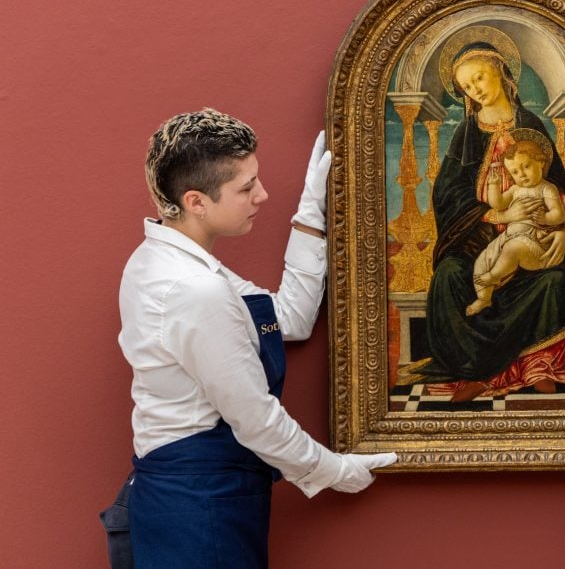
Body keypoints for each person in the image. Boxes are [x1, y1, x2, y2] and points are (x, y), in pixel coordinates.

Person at [114, 108, 396, 568]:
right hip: (200, 509)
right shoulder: (192, 289)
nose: (262, 195)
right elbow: (256, 419)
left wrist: (312, 209)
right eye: (246, 188)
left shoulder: (167, 260)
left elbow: (288, 317)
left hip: (199, 498)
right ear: (196, 201)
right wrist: (336, 471)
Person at [399, 37, 565, 403]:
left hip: (533, 238)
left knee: (557, 279)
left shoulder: (530, 124)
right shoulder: (465, 133)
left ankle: (536, 365)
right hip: (476, 242)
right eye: (467, 87)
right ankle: (474, 371)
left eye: (480, 79)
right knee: (450, 275)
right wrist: (498, 213)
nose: (475, 90)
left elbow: (562, 186)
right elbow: (447, 196)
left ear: (501, 72)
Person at [467, 132, 565, 316]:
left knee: (512, 249)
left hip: (533, 241)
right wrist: (494, 187)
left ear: (541, 162)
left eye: (526, 166)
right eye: (515, 172)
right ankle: (484, 298)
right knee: (482, 261)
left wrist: (545, 218)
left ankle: (493, 276)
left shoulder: (547, 188)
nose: (522, 175)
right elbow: (498, 205)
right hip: (509, 237)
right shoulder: (515, 189)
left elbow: (559, 215)